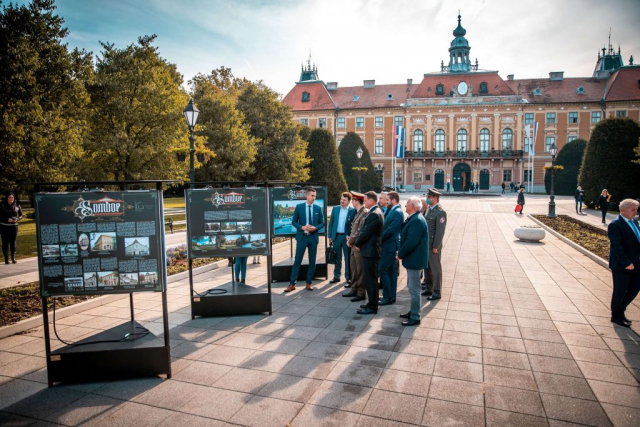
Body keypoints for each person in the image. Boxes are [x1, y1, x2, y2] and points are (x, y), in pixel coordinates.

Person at [607, 199, 640, 328]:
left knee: (634, 289)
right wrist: (626, 262)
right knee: (619, 291)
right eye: (633, 210)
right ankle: (616, 316)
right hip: (622, 265)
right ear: (623, 210)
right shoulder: (615, 224)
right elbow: (616, 246)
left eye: (636, 209)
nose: (635, 212)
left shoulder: (634, 222)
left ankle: (620, 311)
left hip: (636, 263)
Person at [285, 188, 324, 293]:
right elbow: (294, 222)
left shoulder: (318, 208)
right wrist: (302, 227)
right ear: (306, 196)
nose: (314, 198)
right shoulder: (299, 207)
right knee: (297, 261)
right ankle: (292, 284)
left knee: (312, 262)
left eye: (315, 196)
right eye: (312, 196)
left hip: (313, 237)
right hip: (302, 237)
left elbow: (322, 222)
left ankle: (309, 283)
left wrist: (315, 228)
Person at [398, 196, 430, 326]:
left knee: (415, 289)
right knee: (412, 288)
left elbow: (411, 241)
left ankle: (416, 316)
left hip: (415, 259)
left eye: (406, 205)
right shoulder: (415, 218)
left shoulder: (416, 220)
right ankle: (413, 310)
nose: (405, 207)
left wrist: (400, 254)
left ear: (411, 206)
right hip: (413, 258)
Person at [355, 191, 384, 314]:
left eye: (365, 200)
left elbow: (365, 233)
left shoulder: (374, 214)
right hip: (370, 250)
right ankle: (372, 302)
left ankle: (372, 306)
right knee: (370, 278)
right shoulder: (375, 212)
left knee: (370, 279)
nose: (364, 202)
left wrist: (357, 243)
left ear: (371, 201)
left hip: (370, 251)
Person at [421, 189, 446, 300]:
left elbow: (440, 231)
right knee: (427, 268)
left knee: (435, 269)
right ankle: (429, 288)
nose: (428, 199)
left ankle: (437, 291)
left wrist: (436, 246)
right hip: (427, 244)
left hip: (433, 246)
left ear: (435, 198)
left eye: (429, 197)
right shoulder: (429, 210)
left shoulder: (440, 212)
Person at [379, 191, 403, 306]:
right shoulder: (392, 210)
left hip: (390, 246)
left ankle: (387, 296)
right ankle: (391, 296)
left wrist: (379, 239)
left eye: (388, 200)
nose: (386, 202)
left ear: (393, 200)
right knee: (391, 271)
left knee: (382, 269)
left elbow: (390, 230)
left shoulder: (397, 212)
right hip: (389, 245)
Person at [344, 192, 368, 300]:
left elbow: (359, 231)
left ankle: (361, 292)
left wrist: (350, 240)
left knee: (360, 270)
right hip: (353, 245)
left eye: (353, 200)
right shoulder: (358, 212)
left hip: (358, 246)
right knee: (353, 268)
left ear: (357, 201)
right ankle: (354, 289)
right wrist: (350, 239)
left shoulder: (364, 213)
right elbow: (354, 229)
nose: (352, 202)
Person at [328, 192, 356, 285]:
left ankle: (348, 277)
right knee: (337, 258)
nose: (342, 201)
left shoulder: (353, 210)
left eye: (344, 200)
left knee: (348, 258)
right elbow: (331, 223)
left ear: (349, 201)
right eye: (341, 199)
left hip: (346, 238)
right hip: (336, 237)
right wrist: (330, 236)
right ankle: (336, 276)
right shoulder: (335, 209)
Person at [1, 192, 23, 264]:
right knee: (5, 242)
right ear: (7, 198)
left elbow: (21, 215)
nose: (11, 199)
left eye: (12, 198)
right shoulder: (2, 205)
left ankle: (13, 258)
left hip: (14, 226)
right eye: (9, 197)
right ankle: (6, 259)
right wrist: (7, 219)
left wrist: (17, 219)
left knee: (13, 242)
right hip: (4, 226)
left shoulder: (17, 206)